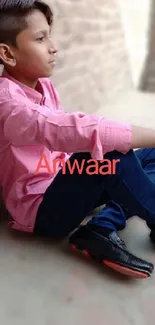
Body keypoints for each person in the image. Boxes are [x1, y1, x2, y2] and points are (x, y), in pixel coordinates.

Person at [0, 0, 155, 279]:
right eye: (40, 38)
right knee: (111, 153)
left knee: (143, 154)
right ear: (7, 54)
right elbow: (70, 129)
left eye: (49, 34)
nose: (53, 46)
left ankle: (100, 227)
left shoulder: (42, 83)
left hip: (67, 175)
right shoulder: (9, 106)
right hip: (43, 210)